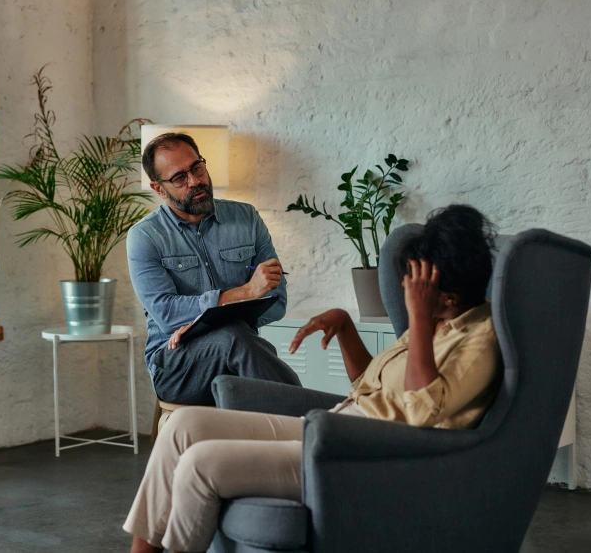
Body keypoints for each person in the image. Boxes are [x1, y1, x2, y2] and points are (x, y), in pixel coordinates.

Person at [124, 205, 503, 553]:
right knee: (185, 423)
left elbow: (418, 415)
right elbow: (369, 390)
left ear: (448, 295)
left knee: (201, 463)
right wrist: (345, 326)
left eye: (415, 285)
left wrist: (418, 320)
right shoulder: (436, 322)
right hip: (341, 423)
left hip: (370, 451)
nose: (408, 292)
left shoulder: (479, 340)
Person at [127, 132, 302, 407]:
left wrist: (203, 322)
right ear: (159, 189)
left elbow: (276, 301)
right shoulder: (145, 237)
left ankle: (303, 433)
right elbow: (167, 314)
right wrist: (246, 292)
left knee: (234, 336)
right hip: (176, 365)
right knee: (235, 337)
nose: (195, 181)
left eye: (197, 167)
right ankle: (315, 423)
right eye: (179, 178)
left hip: (240, 355)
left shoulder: (247, 219)